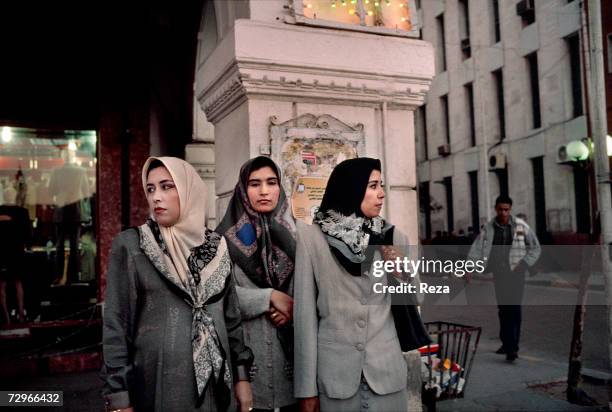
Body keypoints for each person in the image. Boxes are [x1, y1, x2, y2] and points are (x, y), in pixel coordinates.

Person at [102, 157, 253, 412]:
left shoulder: (218, 248)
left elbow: (232, 319)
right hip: (158, 387)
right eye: (150, 189)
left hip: (217, 388)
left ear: (188, 189)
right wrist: (119, 397)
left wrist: (242, 377)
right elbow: (116, 325)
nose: (156, 197)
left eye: (167, 186)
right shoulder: (133, 245)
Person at [294, 158, 429, 412]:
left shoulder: (393, 237)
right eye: (372, 186)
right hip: (335, 379)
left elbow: (418, 297)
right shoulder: (312, 238)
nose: (381, 194)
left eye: (382, 185)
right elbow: (305, 319)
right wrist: (306, 390)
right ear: (352, 188)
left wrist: (401, 272)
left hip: (387, 375)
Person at [217, 156, 297, 412]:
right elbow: (218, 296)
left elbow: (315, 292)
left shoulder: (300, 238)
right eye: (254, 183)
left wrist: (293, 310)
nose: (264, 191)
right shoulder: (221, 241)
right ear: (243, 189)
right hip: (247, 377)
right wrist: (270, 297)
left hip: (294, 375)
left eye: (271, 182)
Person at [467, 195, 541, 362]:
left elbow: (535, 248)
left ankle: (512, 348)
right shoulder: (489, 228)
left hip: (516, 273)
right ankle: (506, 343)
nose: (503, 212)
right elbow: (477, 248)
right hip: (499, 274)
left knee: (514, 309)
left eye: (506, 209)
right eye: (500, 209)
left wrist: (525, 263)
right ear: (495, 209)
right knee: (503, 309)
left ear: (510, 209)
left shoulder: (520, 226)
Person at [0, 189, 31, 324]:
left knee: (1, 285)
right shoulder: (23, 212)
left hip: (1, 252)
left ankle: (6, 318)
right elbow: (28, 235)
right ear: (14, 197)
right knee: (18, 283)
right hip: (17, 252)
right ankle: (21, 315)